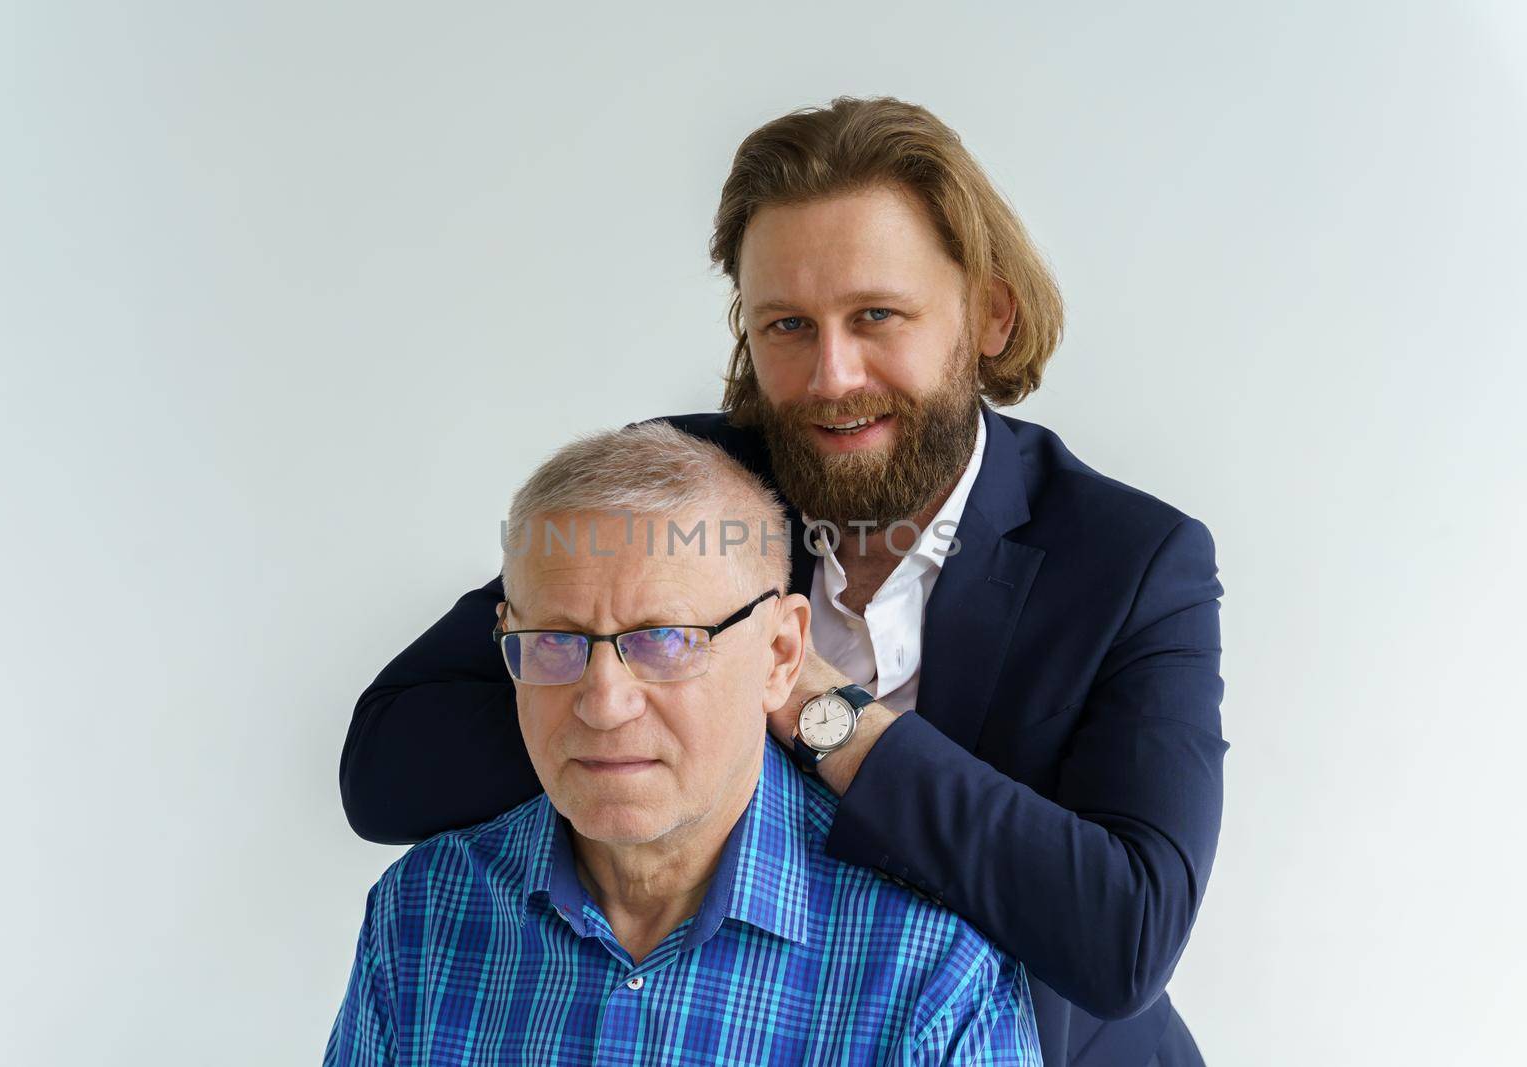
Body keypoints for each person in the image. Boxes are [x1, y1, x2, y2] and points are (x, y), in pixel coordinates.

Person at [339, 95, 1226, 1067]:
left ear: (988, 312)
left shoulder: (1131, 558)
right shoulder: (687, 489)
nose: (830, 374)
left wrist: (798, 696)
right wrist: (654, 687)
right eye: (787, 325)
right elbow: (388, 769)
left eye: (875, 315)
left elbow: (1125, 932)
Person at [324, 423, 1043, 1065]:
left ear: (781, 653)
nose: (603, 704)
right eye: (553, 642)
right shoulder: (422, 914)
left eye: (665, 640)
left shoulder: (931, 971)